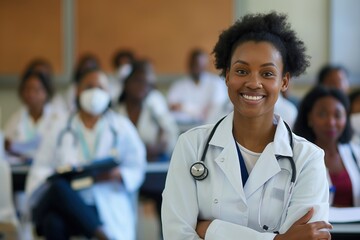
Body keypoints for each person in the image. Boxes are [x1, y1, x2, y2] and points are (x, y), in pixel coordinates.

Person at [162, 12, 332, 240]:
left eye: (267, 73)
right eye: (242, 71)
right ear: (227, 76)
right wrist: (278, 239)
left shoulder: (308, 159)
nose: (253, 83)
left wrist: (211, 230)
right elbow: (177, 235)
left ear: (284, 81)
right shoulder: (191, 146)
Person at [25, 68, 147, 240]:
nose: (95, 93)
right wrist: (59, 173)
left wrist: (119, 175)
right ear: (77, 91)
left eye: (101, 88)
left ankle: (99, 231)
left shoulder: (121, 127)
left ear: (109, 93)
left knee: (53, 222)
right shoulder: (59, 127)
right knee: (59, 187)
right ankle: (103, 235)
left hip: (103, 200)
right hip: (67, 195)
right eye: (89, 87)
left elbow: (137, 165)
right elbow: (41, 167)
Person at [117, 59, 179, 233]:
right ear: (127, 84)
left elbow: (171, 135)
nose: (142, 86)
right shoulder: (116, 110)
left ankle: (165, 235)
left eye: (146, 83)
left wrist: (159, 147)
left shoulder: (153, 108)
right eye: (137, 81)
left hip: (151, 168)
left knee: (165, 195)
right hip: (125, 170)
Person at [294, 86, 360, 207]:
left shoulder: (356, 153)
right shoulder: (297, 155)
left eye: (338, 115)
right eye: (322, 114)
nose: (331, 122)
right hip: (315, 224)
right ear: (309, 117)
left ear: (346, 118)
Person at [4, 70, 63, 161]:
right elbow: (6, 143)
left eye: (36, 90)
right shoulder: (16, 117)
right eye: (27, 89)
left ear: (46, 92)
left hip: (48, 167)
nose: (31, 94)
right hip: (20, 168)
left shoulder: (58, 117)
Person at [167, 48, 228, 128]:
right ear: (189, 65)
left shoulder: (216, 83)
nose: (196, 68)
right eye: (194, 64)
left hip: (209, 128)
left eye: (199, 65)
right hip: (183, 128)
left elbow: (216, 108)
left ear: (205, 65)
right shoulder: (178, 85)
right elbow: (172, 106)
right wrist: (199, 111)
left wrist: (183, 107)